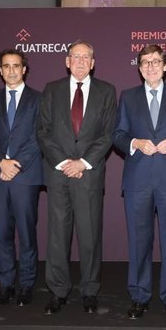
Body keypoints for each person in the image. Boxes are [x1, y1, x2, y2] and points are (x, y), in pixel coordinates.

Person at [112, 44, 166, 321]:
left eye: (156, 61)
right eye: (145, 62)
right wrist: (134, 143)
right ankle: (139, 296)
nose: (150, 66)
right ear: (138, 67)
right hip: (137, 180)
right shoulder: (128, 96)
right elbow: (118, 134)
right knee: (138, 242)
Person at [36, 40, 117, 314]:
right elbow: (43, 131)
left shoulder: (107, 91)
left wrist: (82, 162)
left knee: (89, 235)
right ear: (67, 61)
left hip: (88, 174)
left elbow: (108, 134)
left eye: (86, 57)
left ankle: (90, 290)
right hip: (59, 174)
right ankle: (58, 291)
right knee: (58, 236)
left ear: (93, 63)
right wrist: (63, 162)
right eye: (75, 56)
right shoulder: (52, 90)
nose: (81, 61)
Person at [0, 49, 43, 307]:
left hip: (25, 175)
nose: (11, 70)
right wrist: (0, 161)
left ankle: (26, 285)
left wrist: (15, 165)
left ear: (24, 68)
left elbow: (39, 135)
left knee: (27, 233)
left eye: (16, 65)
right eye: (6, 66)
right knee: (2, 234)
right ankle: (6, 284)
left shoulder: (38, 99)